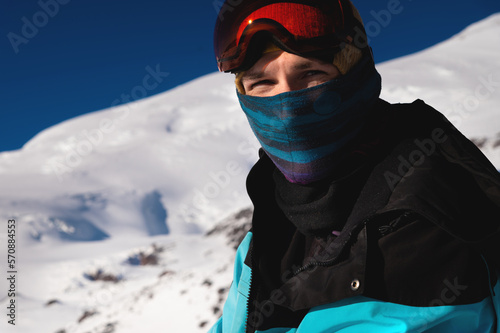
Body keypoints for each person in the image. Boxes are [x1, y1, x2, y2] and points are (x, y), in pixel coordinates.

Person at [209, 0, 500, 332]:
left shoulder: (440, 214)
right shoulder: (263, 237)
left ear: (354, 73)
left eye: (311, 73)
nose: (287, 107)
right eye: (262, 84)